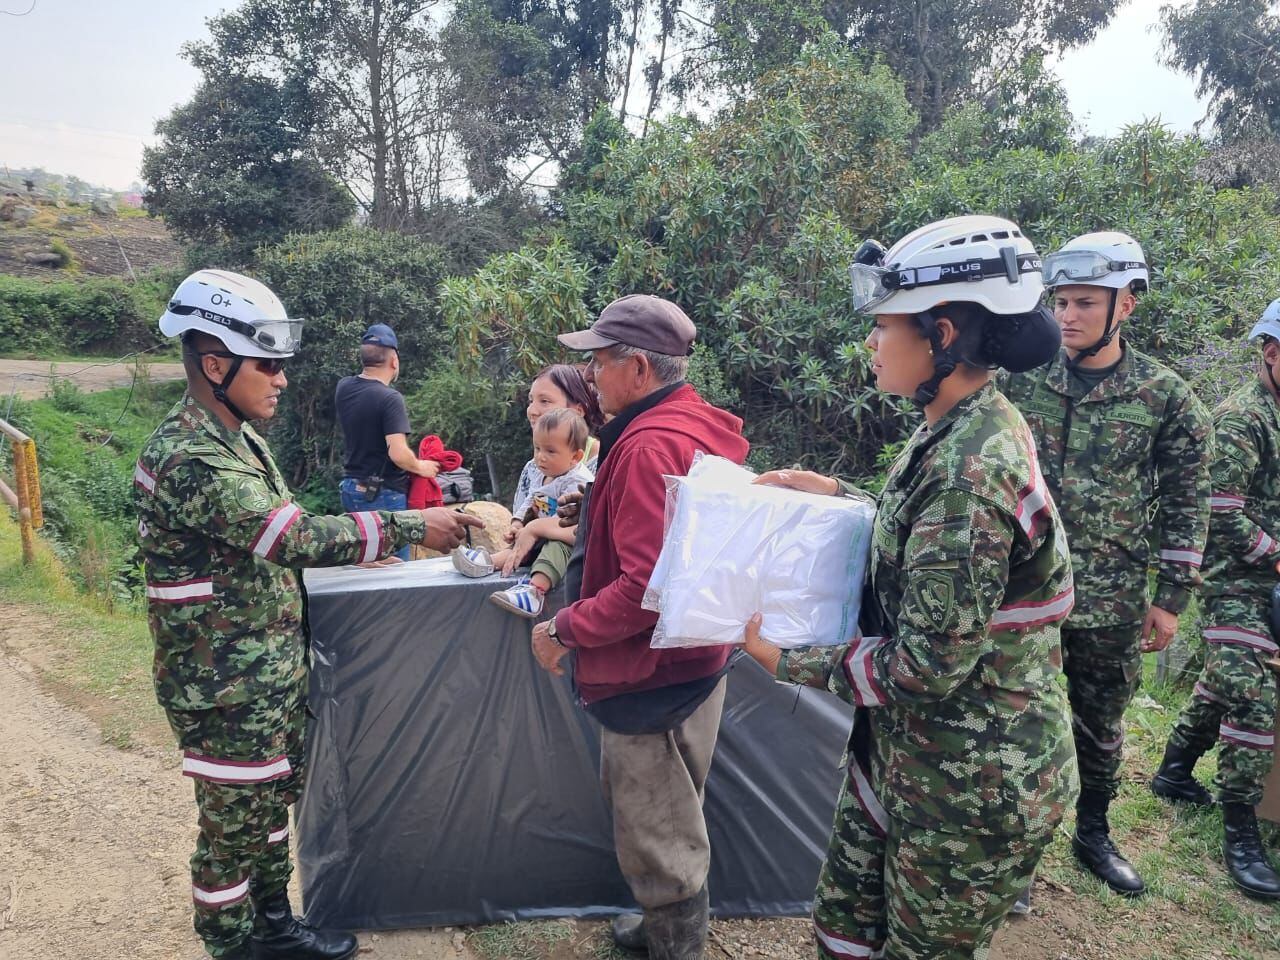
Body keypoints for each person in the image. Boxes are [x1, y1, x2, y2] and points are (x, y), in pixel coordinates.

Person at [740, 215, 1078, 959]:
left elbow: (925, 666)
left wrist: (784, 659)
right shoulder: (957, 425)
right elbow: (928, 545)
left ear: (945, 335)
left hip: (972, 784)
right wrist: (838, 491)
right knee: (842, 933)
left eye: (884, 325)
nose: (871, 341)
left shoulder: (970, 469)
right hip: (908, 762)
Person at [133, 270, 481, 960]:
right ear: (214, 364)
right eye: (267, 366)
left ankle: (273, 926)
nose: (282, 381)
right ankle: (231, 944)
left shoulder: (238, 436)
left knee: (269, 805)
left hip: (262, 667)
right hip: (223, 681)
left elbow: (274, 540)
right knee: (233, 822)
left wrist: (359, 554)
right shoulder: (191, 454)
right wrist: (405, 529)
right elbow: (284, 535)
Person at [530, 295, 749, 960]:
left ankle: (674, 942)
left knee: (656, 821)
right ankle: (659, 923)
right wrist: (596, 497)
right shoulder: (689, 421)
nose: (590, 375)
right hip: (696, 659)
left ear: (641, 371)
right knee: (672, 808)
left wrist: (562, 629)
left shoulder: (650, 445)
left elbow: (647, 589)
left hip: (652, 671)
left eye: (598, 361)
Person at [1001, 231, 1212, 899]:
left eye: (1085, 303)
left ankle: (1092, 832)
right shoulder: (1022, 381)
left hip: (1111, 595)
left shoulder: (1164, 395)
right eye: (1060, 302)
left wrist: (1172, 596)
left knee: (1099, 724)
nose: (1066, 315)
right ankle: (1021, 855)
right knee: (1021, 721)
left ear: (1127, 305)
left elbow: (1187, 496)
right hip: (1024, 590)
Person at [1150, 299, 1280, 900]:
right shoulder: (1243, 420)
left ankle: (1175, 771)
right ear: (1271, 353)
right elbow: (1220, 510)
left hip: (1270, 579)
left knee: (1224, 681)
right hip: (1234, 579)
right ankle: (1241, 829)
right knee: (1252, 693)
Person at [452, 364, 604, 613]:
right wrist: (520, 526)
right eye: (531, 400)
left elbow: (594, 530)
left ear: (577, 412)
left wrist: (536, 528)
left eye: (545, 401)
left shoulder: (604, 465)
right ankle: (486, 563)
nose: (533, 410)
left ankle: (534, 590)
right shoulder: (534, 468)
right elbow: (529, 508)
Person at [335, 323, 441, 560]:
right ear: (394, 361)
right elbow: (398, 453)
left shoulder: (343, 387)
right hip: (383, 494)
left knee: (366, 563)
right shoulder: (389, 398)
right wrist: (423, 467)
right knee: (393, 569)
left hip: (352, 488)